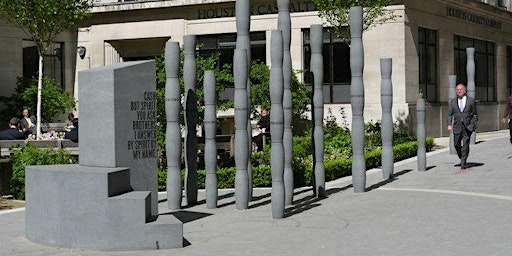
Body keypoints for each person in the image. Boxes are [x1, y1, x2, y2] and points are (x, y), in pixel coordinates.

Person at [447, 83, 478, 169]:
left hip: (467, 126)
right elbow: (449, 114)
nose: (459, 91)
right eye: (457, 90)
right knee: (456, 144)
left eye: (460, 89)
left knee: (465, 144)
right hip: (457, 126)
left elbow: (475, 114)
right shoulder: (452, 102)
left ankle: (463, 162)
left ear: (465, 90)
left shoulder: (471, 100)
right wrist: (449, 124)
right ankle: (462, 156)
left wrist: (473, 124)